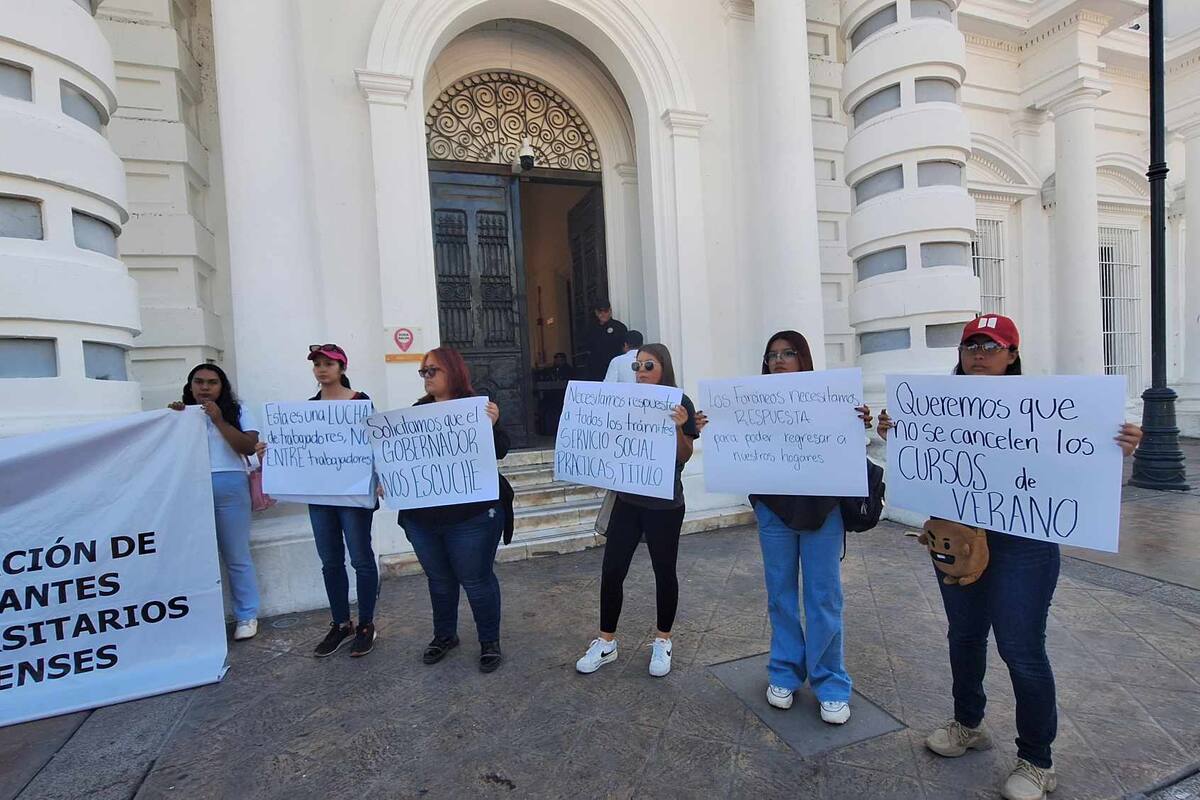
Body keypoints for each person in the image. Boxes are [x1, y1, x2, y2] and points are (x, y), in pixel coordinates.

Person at [877, 314, 1143, 800]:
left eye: (991, 346)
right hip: (958, 538)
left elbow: (1073, 458)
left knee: (1021, 649)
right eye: (971, 346)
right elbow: (924, 460)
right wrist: (897, 431)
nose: (979, 354)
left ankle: (1037, 760)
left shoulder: (1047, 408)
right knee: (964, 636)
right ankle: (968, 723)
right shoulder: (936, 406)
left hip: (1025, 543)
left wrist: (1116, 446)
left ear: (1013, 354)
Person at [751, 331, 874, 725]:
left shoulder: (830, 401)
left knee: (824, 596)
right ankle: (784, 671)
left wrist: (857, 423)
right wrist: (711, 424)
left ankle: (830, 682)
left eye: (788, 353)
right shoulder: (751, 404)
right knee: (780, 594)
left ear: (803, 358)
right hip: (774, 509)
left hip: (822, 509)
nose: (779, 360)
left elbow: (845, 447)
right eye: (772, 355)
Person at [575, 343, 705, 678]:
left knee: (664, 572)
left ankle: (663, 640)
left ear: (664, 367)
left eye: (648, 365)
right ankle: (606, 641)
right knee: (612, 570)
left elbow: (684, 456)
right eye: (636, 366)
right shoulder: (625, 400)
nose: (641, 372)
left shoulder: (681, 402)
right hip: (627, 500)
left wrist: (679, 426)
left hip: (665, 504)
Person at [256, 344, 380, 658]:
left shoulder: (360, 403)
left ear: (342, 368)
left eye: (328, 364)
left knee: (361, 559)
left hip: (353, 494)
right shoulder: (307, 409)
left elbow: (376, 443)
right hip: (321, 496)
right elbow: (297, 451)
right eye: (317, 364)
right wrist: (269, 453)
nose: (322, 369)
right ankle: (341, 623)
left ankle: (366, 623)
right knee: (330, 561)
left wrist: (380, 477)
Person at [399, 347, 513, 673]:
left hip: (471, 517)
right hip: (424, 518)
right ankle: (444, 635)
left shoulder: (478, 409)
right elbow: (403, 458)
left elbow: (501, 451)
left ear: (453, 371)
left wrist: (492, 425)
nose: (426, 377)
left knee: (476, 581)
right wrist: (391, 480)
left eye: (432, 370)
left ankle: (489, 641)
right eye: (423, 372)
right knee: (438, 580)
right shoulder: (416, 413)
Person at [168, 363, 261, 641]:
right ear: (190, 385)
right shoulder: (181, 414)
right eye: (199, 382)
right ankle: (202, 617)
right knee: (195, 555)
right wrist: (174, 419)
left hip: (230, 485)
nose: (205, 387)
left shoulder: (238, 410)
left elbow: (247, 446)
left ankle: (247, 614)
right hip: (191, 486)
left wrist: (219, 420)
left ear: (222, 387)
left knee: (237, 554)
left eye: (212, 382)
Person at [584, 302, 627, 381]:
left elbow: (625, 347)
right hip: (595, 368)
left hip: (614, 365)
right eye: (600, 311)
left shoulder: (619, 327)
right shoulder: (591, 328)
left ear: (610, 311)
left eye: (606, 311)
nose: (603, 314)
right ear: (596, 312)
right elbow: (588, 347)